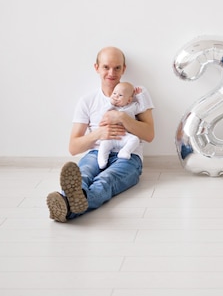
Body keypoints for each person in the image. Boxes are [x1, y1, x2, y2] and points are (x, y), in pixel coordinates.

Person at [46, 46, 155, 222]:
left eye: (117, 67)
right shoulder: (87, 101)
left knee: (105, 180)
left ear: (124, 69)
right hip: (96, 152)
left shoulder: (136, 95)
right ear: (96, 68)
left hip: (128, 157)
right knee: (84, 173)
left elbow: (149, 135)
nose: (112, 72)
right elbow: (73, 148)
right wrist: (98, 134)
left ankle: (65, 206)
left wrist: (121, 117)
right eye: (106, 67)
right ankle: (68, 206)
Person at [97, 81, 144, 169]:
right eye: (114, 93)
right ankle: (102, 161)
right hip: (111, 136)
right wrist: (110, 103)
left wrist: (140, 96)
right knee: (103, 145)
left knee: (135, 140)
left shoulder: (132, 106)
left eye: (120, 95)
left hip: (124, 136)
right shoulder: (111, 107)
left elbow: (142, 108)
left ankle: (125, 151)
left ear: (129, 100)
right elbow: (102, 113)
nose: (116, 96)